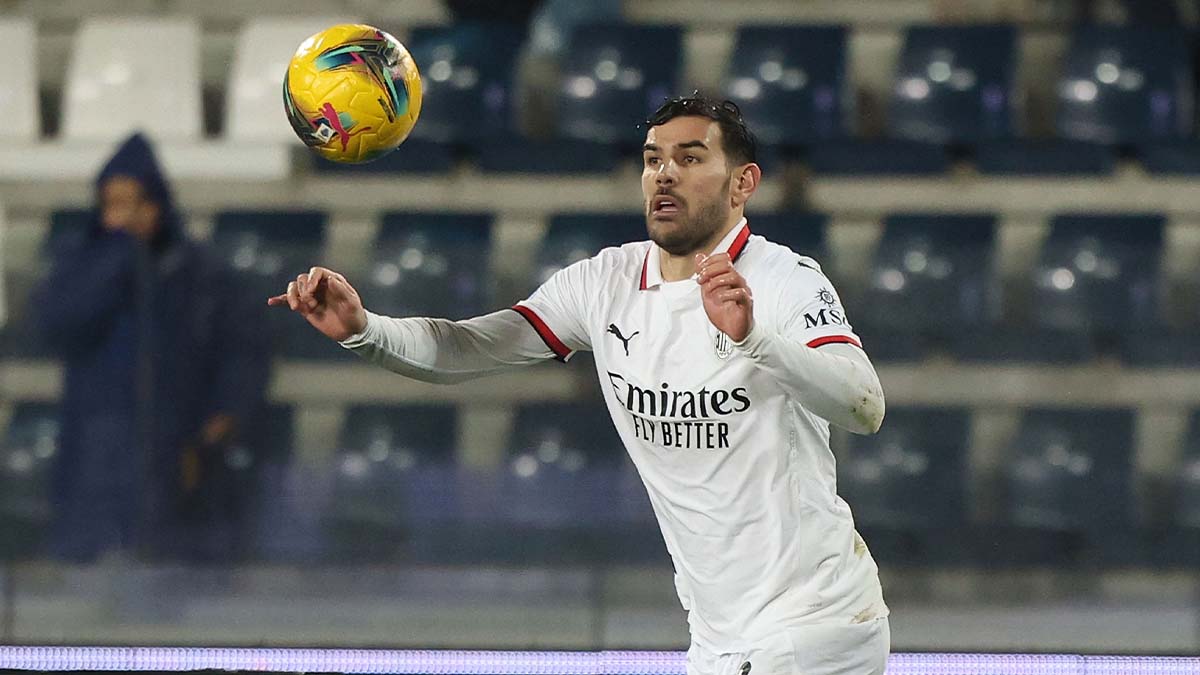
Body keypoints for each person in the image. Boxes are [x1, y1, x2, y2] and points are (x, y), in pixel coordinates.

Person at [270, 94, 889, 674]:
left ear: (743, 183)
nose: (664, 175)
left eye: (690, 158)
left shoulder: (782, 279)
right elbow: (469, 347)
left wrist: (755, 336)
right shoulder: (604, 283)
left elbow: (864, 406)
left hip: (816, 625)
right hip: (719, 637)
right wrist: (366, 329)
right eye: (653, 160)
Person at [33, 132, 271, 562]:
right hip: (98, 449)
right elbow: (57, 324)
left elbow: (242, 349)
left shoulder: (200, 273)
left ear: (156, 204)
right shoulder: (82, 264)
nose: (119, 218)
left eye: (131, 204)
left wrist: (222, 418)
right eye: (111, 205)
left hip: (178, 446)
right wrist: (118, 260)